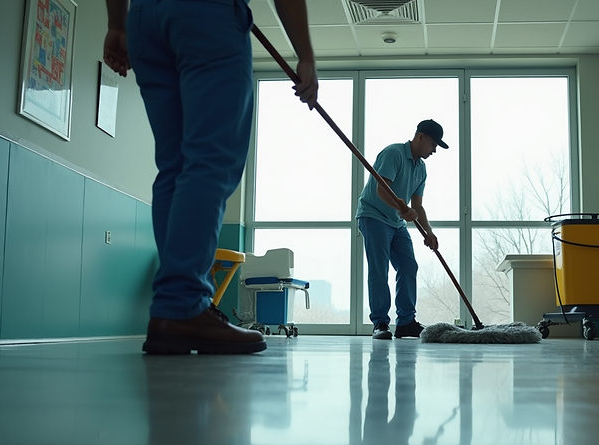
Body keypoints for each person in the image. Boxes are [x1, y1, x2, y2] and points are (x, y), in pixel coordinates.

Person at [103, 0, 319, 354]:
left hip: (144, 19)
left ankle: (172, 310)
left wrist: (118, 23)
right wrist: (306, 55)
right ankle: (183, 305)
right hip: (205, 15)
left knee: (174, 166)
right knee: (209, 160)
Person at [356, 120, 447, 340]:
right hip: (374, 216)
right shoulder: (393, 154)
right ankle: (380, 323)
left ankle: (406, 322)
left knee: (409, 266)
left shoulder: (421, 168)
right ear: (421, 136)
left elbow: (417, 206)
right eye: (433, 145)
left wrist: (429, 232)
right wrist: (402, 209)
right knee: (379, 271)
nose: (434, 150)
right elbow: (381, 190)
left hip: (396, 222)